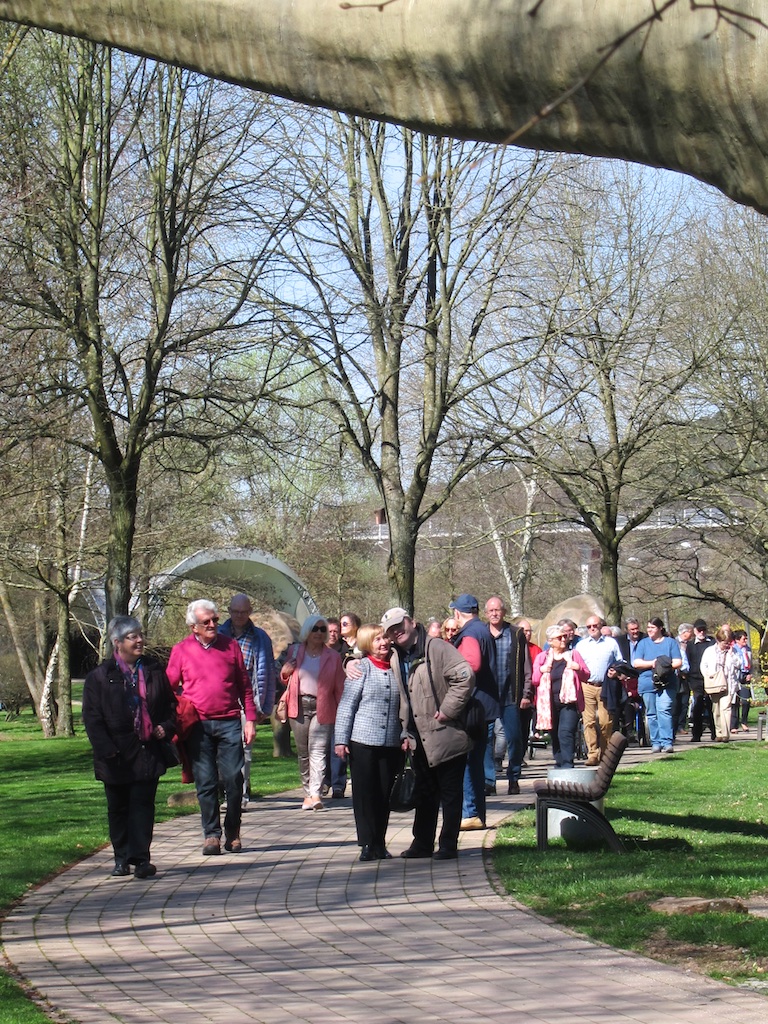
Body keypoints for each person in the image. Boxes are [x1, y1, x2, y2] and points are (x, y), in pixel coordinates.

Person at [82, 616, 177, 878]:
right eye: (132, 637)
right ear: (117, 643)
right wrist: (108, 749)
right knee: (119, 807)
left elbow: (171, 706)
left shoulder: (154, 669)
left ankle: (141, 860)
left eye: (140, 635)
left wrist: (165, 727)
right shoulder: (100, 677)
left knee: (143, 805)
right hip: (115, 754)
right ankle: (121, 858)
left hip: (147, 750)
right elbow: (92, 718)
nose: (139, 640)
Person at [380, 607, 473, 860]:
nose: (396, 632)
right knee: (425, 793)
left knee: (450, 793)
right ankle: (422, 844)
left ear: (412, 622)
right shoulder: (396, 656)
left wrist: (447, 710)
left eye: (400, 625)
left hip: (446, 733)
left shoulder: (438, 648)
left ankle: (448, 845)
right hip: (416, 738)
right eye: (391, 630)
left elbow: (465, 676)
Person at [166, 599, 257, 856]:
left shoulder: (230, 647)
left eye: (215, 620)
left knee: (233, 779)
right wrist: (179, 709)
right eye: (206, 621)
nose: (212, 624)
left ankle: (233, 831)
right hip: (198, 725)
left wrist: (249, 720)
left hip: (229, 721)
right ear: (193, 626)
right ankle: (211, 835)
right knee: (205, 782)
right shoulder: (181, 650)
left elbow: (244, 686)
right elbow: (169, 686)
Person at [334, 623, 403, 861]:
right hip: (362, 740)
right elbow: (346, 706)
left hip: (391, 742)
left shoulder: (397, 666)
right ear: (366, 644)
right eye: (377, 640)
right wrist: (340, 740)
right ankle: (366, 842)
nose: (383, 643)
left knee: (384, 794)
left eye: (385, 638)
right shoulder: (360, 668)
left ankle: (379, 842)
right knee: (365, 793)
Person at [280, 615, 345, 810]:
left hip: (322, 707)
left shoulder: (333, 656)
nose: (319, 633)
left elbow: (340, 686)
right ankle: (307, 792)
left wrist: (342, 710)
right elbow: (284, 678)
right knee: (303, 752)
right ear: (307, 631)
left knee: (317, 751)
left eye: (322, 630)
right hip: (298, 705)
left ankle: (316, 793)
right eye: (315, 629)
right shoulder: (295, 651)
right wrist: (285, 672)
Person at [218, 594, 276, 808]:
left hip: (249, 700)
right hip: (223, 700)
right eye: (235, 611)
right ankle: (227, 791)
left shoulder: (260, 638)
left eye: (244, 611)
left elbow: (268, 673)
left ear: (250, 612)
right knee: (224, 750)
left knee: (245, 748)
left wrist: (265, 705)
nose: (239, 615)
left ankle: (239, 796)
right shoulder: (219, 635)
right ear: (229, 611)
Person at [449, 594, 499, 831]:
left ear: (458, 613)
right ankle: (478, 814)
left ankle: (470, 813)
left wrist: (450, 675)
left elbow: (472, 665)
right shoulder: (484, 630)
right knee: (477, 763)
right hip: (486, 707)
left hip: (473, 709)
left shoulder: (469, 634)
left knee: (469, 762)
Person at [484, 596, 531, 796]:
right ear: (486, 614)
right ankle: (489, 781)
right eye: (491, 611)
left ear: (504, 612)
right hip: (487, 697)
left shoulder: (516, 634)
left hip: (511, 695)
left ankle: (514, 778)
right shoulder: (480, 633)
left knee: (514, 738)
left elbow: (526, 666)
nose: (494, 614)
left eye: (498, 610)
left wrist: (526, 692)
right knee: (486, 740)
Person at [525, 625, 589, 768]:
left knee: (565, 732)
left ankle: (568, 763)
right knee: (554, 733)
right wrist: (542, 670)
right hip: (549, 703)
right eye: (559, 638)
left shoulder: (574, 655)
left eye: (564, 637)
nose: (563, 640)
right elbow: (534, 680)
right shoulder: (543, 657)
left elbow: (586, 675)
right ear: (550, 641)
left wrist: (576, 667)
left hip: (569, 702)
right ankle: (559, 762)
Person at [575, 615, 621, 766]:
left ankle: (605, 753)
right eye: (589, 626)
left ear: (601, 626)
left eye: (595, 625)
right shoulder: (581, 645)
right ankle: (593, 754)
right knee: (588, 721)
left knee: (605, 722)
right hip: (586, 686)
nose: (592, 628)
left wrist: (615, 671)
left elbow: (620, 661)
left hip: (605, 686)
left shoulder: (611, 643)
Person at [633, 617, 682, 754]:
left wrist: (664, 667)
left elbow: (678, 662)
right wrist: (654, 663)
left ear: (660, 628)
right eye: (648, 627)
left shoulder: (670, 643)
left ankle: (667, 741)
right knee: (651, 713)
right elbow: (636, 663)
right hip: (647, 682)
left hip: (667, 682)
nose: (649, 630)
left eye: (652, 627)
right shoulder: (642, 644)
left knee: (664, 710)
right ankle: (656, 742)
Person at [700, 626, 742, 742]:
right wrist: (709, 676)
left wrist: (731, 655)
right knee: (716, 709)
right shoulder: (709, 651)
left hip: (728, 683)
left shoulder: (733, 652)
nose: (727, 645)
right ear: (718, 641)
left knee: (726, 708)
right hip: (715, 683)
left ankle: (725, 734)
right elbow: (704, 666)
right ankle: (719, 733)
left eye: (729, 643)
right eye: (725, 643)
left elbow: (739, 664)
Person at [687, 618, 716, 742]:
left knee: (712, 705)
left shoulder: (712, 642)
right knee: (697, 704)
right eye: (699, 630)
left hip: (710, 677)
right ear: (694, 631)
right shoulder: (690, 645)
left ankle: (715, 732)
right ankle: (696, 734)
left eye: (704, 629)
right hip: (696, 678)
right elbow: (688, 661)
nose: (702, 632)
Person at [730, 629, 753, 733]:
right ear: (737, 640)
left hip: (745, 676)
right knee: (735, 702)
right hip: (736, 676)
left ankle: (744, 722)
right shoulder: (733, 650)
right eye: (744, 638)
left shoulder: (748, 650)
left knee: (745, 701)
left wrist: (750, 674)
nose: (746, 640)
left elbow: (750, 663)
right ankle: (733, 725)